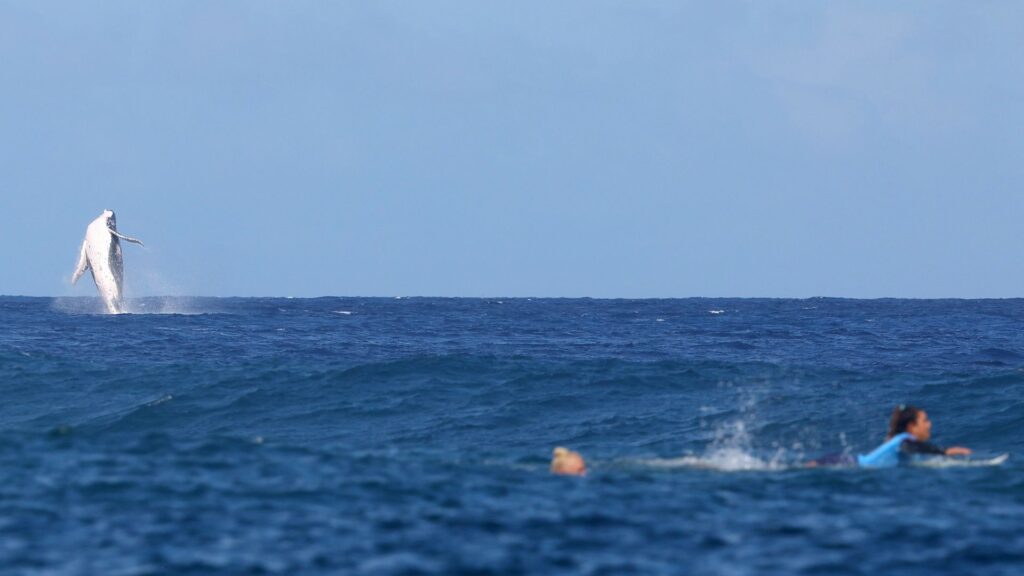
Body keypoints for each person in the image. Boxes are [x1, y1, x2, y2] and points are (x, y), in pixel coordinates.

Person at [808, 404, 971, 468]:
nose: (929, 424)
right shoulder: (905, 440)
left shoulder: (898, 439)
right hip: (846, 463)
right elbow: (910, 447)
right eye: (925, 420)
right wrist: (944, 451)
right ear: (911, 426)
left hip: (844, 460)